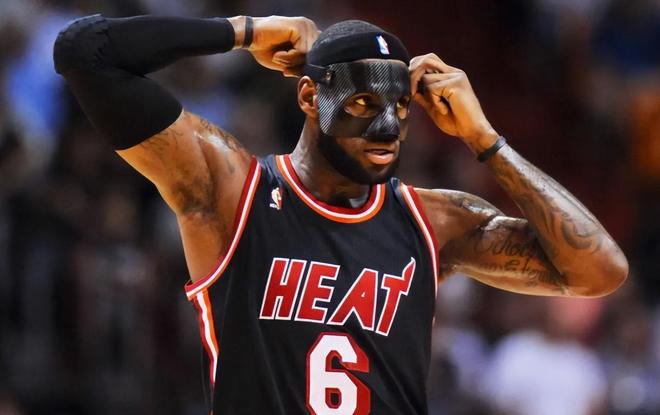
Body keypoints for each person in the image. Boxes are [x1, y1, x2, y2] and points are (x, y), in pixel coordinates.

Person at [53, 13, 628, 415]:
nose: (386, 129)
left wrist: (485, 140)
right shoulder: (231, 190)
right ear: (310, 97)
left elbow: (600, 271)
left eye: (399, 108)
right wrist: (245, 31)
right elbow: (86, 53)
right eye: (362, 103)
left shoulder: (434, 222)